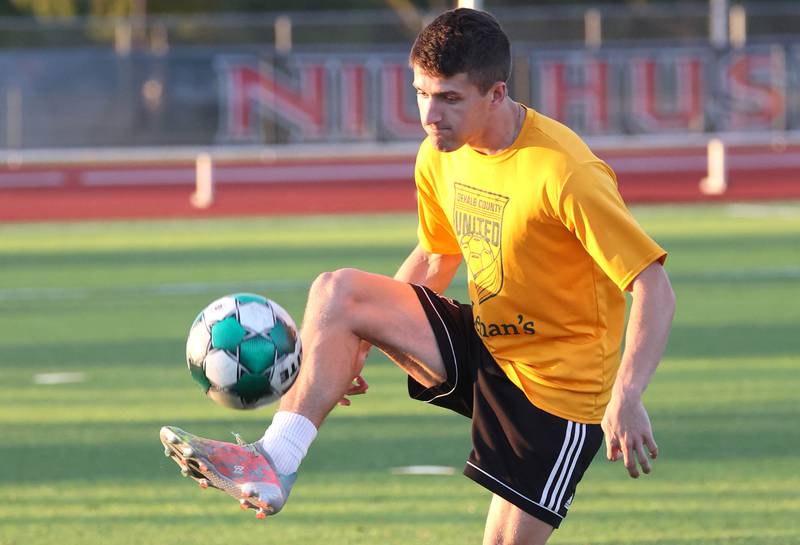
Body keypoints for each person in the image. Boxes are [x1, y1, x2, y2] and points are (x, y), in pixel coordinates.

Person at [161, 8, 675, 544]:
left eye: (449, 98)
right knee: (338, 293)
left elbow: (652, 287)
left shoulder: (566, 173)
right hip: (487, 344)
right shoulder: (439, 154)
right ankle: (276, 459)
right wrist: (347, 346)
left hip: (556, 391)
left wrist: (629, 392)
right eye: (421, 94)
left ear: (496, 94)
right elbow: (435, 260)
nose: (430, 114)